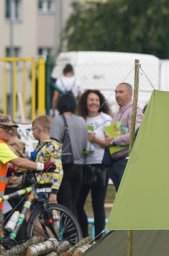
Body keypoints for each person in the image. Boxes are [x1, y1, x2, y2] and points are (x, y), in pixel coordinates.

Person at [0, 115, 58, 220]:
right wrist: (42, 166)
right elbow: (18, 162)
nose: (10, 131)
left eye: (11, 129)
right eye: (7, 128)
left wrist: (8, 170)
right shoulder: (1, 145)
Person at [78, 89, 113, 237]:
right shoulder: (80, 119)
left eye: (97, 100)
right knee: (78, 204)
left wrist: (94, 139)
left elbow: (110, 142)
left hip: (100, 166)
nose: (94, 103)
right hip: (82, 165)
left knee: (97, 204)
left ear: (100, 103)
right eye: (91, 100)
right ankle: (84, 237)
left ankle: (99, 238)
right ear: (85, 101)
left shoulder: (107, 119)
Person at [51, 93, 87, 229]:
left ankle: (70, 240)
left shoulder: (58, 120)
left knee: (66, 206)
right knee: (74, 204)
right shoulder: (82, 121)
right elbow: (84, 145)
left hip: (64, 167)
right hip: (79, 168)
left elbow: (54, 144)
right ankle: (76, 237)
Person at [107, 83, 145, 191]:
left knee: (127, 194)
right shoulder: (117, 113)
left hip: (125, 162)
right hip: (114, 163)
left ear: (130, 94)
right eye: (116, 92)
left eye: (121, 92)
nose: (117, 95)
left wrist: (113, 140)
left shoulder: (134, 111)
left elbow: (136, 134)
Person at [29, 116, 63, 205]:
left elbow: (58, 169)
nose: (32, 132)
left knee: (46, 217)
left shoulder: (52, 146)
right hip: (38, 187)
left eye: (33, 129)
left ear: (38, 129)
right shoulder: (40, 146)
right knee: (34, 216)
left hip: (47, 189)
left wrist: (54, 192)